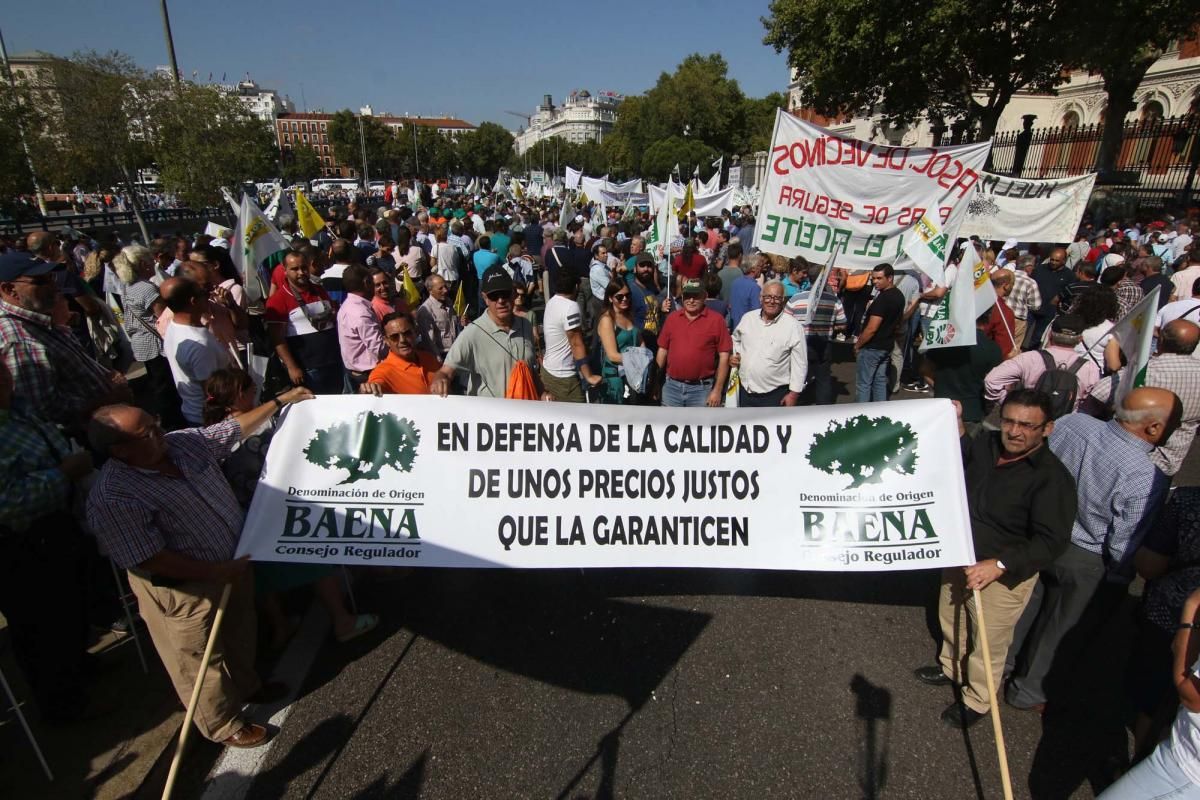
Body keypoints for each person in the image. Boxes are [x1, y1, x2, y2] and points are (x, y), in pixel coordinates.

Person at [85, 390, 314, 748]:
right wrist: (213, 573)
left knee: (240, 630)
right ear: (119, 450)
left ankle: (248, 684)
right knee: (197, 657)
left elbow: (232, 430)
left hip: (230, 566)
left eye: (155, 423)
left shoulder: (182, 444)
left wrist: (281, 401)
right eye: (147, 433)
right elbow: (149, 557)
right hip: (183, 585)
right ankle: (222, 723)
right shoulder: (114, 496)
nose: (159, 432)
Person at [1006, 387, 1182, 713]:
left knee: (1023, 607)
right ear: (1154, 428)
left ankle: (996, 667)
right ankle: (1027, 692)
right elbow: (1124, 541)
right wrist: (1118, 577)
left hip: (1044, 534)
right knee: (1060, 630)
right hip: (1088, 557)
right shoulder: (1146, 475)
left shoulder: (1074, 423)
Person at [914, 389, 1077, 728]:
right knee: (952, 615)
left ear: (1047, 429)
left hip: (1001, 573)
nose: (1015, 432)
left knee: (987, 641)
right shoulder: (987, 445)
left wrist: (998, 565)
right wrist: (956, 423)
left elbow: (1051, 541)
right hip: (959, 555)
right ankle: (951, 667)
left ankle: (977, 699)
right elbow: (958, 460)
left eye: (1027, 426)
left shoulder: (1052, 479)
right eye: (1010, 421)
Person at [201, 370, 377, 648]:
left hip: (245, 518)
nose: (255, 390)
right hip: (280, 510)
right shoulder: (259, 425)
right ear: (238, 396)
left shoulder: (214, 432)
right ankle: (342, 620)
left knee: (262, 575)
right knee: (316, 556)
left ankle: (281, 626)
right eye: (250, 387)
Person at [0, 358, 95, 721]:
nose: (4, 375)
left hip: (59, 526)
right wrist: (62, 474)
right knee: (39, 624)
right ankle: (61, 705)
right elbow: (6, 502)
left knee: (70, 606)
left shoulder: (18, 409)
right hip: (21, 542)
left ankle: (79, 666)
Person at [0, 250, 129, 431]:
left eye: (52, 277)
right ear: (9, 290)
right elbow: (43, 412)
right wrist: (107, 399)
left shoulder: (38, 321)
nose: (55, 286)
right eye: (41, 282)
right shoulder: (20, 340)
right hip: (88, 438)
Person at [1086, 319, 1200, 480]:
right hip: (1167, 463)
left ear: (1160, 340)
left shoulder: (1145, 371)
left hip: (1126, 455)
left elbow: (1099, 393)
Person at [431, 267, 543, 399]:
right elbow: (446, 371)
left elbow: (531, 371)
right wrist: (440, 380)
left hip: (525, 414)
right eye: (494, 296)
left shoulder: (526, 325)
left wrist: (542, 393)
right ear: (485, 298)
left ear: (513, 294)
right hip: (492, 417)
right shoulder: (472, 333)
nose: (500, 300)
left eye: (505, 294)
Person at [983, 314, 1101, 414]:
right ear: (1080, 339)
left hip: (1027, 417)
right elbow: (1091, 404)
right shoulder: (1091, 368)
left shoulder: (1030, 358)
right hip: (1062, 425)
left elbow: (991, 381)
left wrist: (1009, 403)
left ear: (1049, 334)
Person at [265, 251, 343, 395]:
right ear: (285, 271)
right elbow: (277, 338)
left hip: (334, 361)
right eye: (295, 269)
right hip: (309, 368)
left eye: (304, 268)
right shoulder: (278, 300)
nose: (301, 272)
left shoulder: (319, 290)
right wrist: (292, 367)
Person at [161, 278, 232, 426]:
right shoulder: (198, 345)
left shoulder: (173, 327)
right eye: (204, 293)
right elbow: (213, 392)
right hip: (213, 420)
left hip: (193, 413)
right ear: (194, 301)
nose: (210, 295)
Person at [655, 278, 732, 408]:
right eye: (688, 296)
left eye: (696, 296)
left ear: (705, 297)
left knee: (701, 427)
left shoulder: (717, 320)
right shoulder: (672, 318)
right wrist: (656, 383)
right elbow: (662, 350)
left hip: (701, 390)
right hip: (671, 388)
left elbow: (724, 356)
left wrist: (717, 390)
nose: (691, 300)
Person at [922, 311, 1003, 430]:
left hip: (942, 407)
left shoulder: (943, 340)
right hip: (972, 411)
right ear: (988, 318)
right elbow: (995, 385)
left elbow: (924, 370)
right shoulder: (992, 348)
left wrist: (939, 387)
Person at [731, 280, 806, 407]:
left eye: (777, 298)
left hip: (774, 396)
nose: (771, 301)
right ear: (761, 298)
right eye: (768, 297)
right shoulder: (748, 318)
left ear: (783, 300)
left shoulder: (793, 326)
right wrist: (735, 356)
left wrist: (793, 394)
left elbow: (800, 363)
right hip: (745, 391)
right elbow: (735, 339)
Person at [786, 263, 847, 405]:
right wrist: (831, 325)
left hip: (800, 342)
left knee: (797, 375)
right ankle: (822, 409)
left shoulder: (796, 299)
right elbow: (843, 323)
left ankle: (795, 402)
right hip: (823, 342)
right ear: (825, 279)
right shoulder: (834, 300)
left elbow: (786, 321)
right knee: (823, 378)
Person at [541, 270, 602, 402]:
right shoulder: (571, 307)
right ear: (576, 287)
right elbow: (576, 343)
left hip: (548, 369)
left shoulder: (552, 301)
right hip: (563, 376)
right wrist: (589, 376)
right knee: (578, 416)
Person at [854, 264, 905, 402]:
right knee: (880, 381)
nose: (875, 281)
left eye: (879, 278)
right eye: (873, 278)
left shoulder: (884, 299)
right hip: (886, 345)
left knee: (864, 384)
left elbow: (872, 328)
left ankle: (860, 416)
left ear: (890, 278)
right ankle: (880, 413)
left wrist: (858, 344)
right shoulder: (899, 295)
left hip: (873, 347)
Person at [359, 313, 443, 395]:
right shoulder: (383, 372)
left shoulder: (429, 358)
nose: (402, 340)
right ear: (386, 341)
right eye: (394, 337)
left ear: (416, 332)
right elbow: (374, 385)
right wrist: (369, 388)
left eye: (407, 333)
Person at [336, 264, 387, 391]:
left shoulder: (347, 306)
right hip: (367, 374)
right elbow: (379, 348)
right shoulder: (360, 312)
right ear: (366, 282)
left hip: (355, 371)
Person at [596, 280, 640, 404]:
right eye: (619, 297)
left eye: (627, 295)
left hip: (633, 376)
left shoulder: (629, 315)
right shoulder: (607, 320)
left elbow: (639, 341)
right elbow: (612, 355)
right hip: (615, 379)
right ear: (610, 298)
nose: (624, 299)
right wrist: (639, 360)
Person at [414, 274, 463, 361]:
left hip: (455, 349)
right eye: (440, 288)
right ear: (430, 290)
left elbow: (453, 324)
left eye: (445, 286)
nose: (445, 290)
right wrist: (438, 360)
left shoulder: (448, 301)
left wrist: (461, 322)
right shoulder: (426, 312)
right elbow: (429, 341)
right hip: (443, 355)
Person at [728, 254, 763, 330]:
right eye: (760, 266)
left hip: (733, 325)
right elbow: (756, 313)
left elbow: (730, 305)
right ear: (753, 268)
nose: (762, 269)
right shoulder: (755, 288)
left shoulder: (736, 282)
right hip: (746, 328)